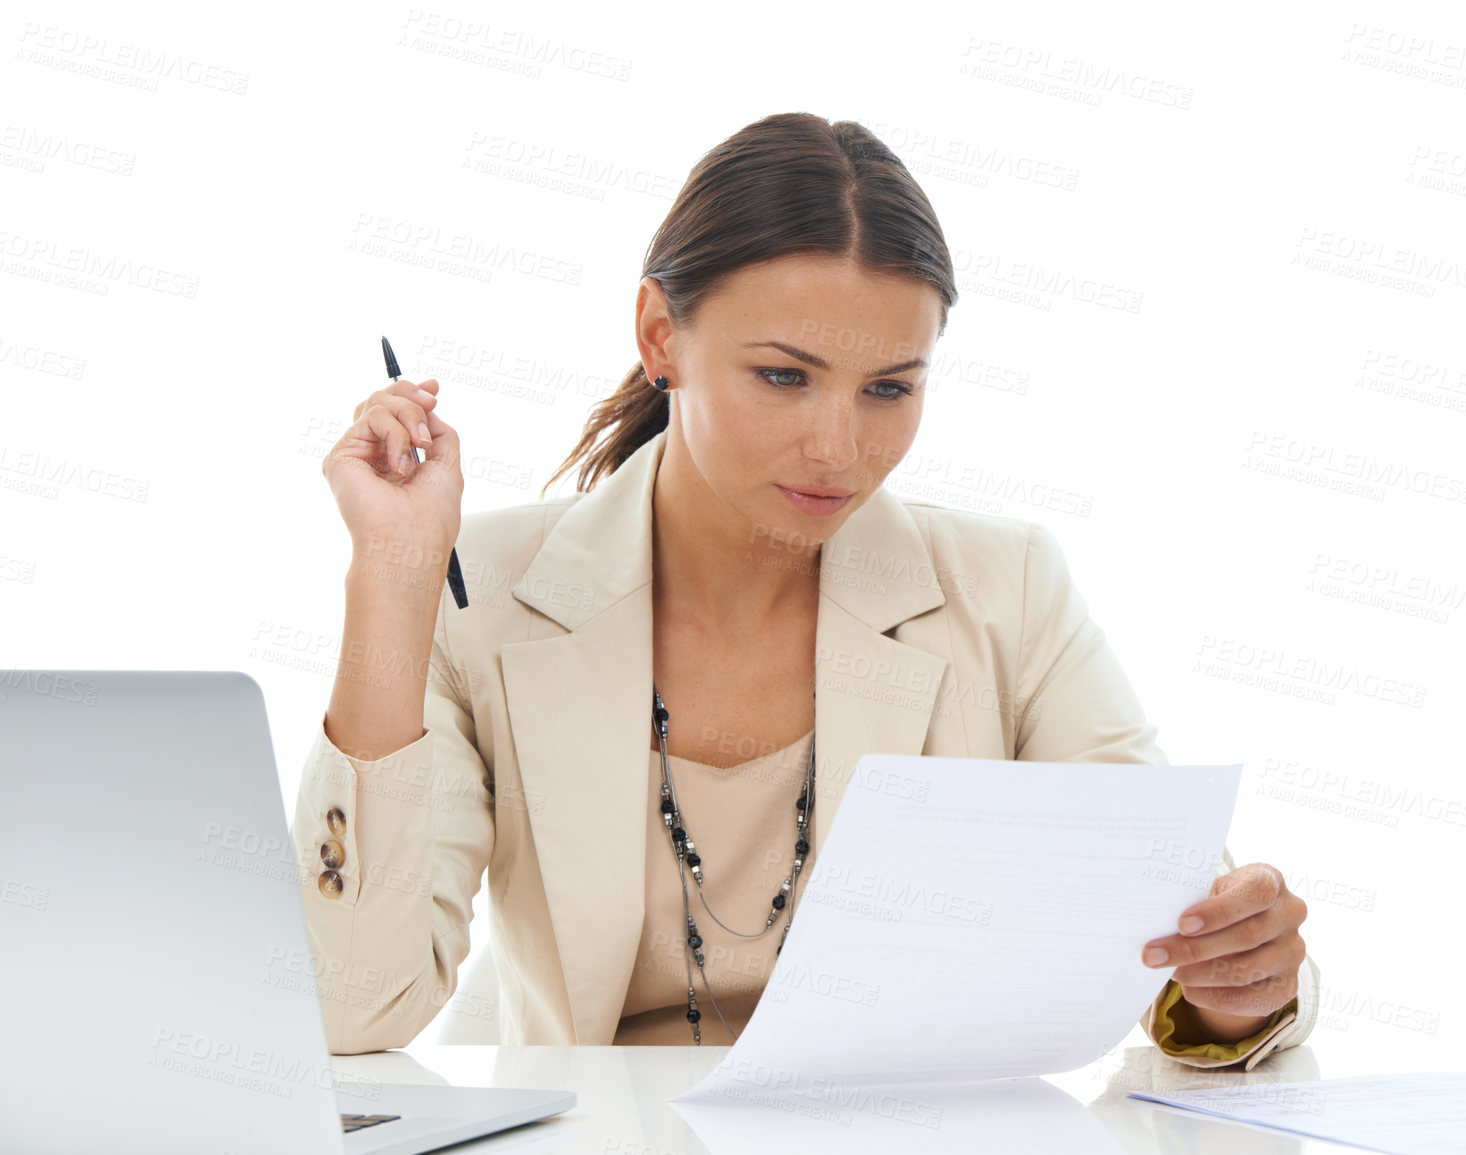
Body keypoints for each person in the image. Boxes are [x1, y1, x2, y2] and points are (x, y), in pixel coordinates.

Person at [294, 112, 1317, 1070]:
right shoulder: (484, 603)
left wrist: (1238, 979)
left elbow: (1176, 924)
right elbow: (352, 1006)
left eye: (890, 389)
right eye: (785, 376)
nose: (839, 448)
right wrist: (393, 582)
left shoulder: (1006, 593)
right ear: (659, 334)